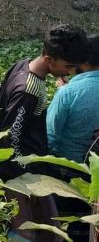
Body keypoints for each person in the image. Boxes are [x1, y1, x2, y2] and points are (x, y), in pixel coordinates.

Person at [0, 24, 90, 242]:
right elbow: (11, 139)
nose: (70, 72)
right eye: (68, 66)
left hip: (30, 170)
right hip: (20, 175)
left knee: (44, 228)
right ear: (49, 59)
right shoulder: (28, 90)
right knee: (26, 234)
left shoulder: (22, 65)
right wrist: (25, 186)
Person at [47, 34, 99, 163]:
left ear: (84, 61)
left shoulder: (68, 93)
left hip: (71, 169)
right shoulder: (68, 91)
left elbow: (51, 137)